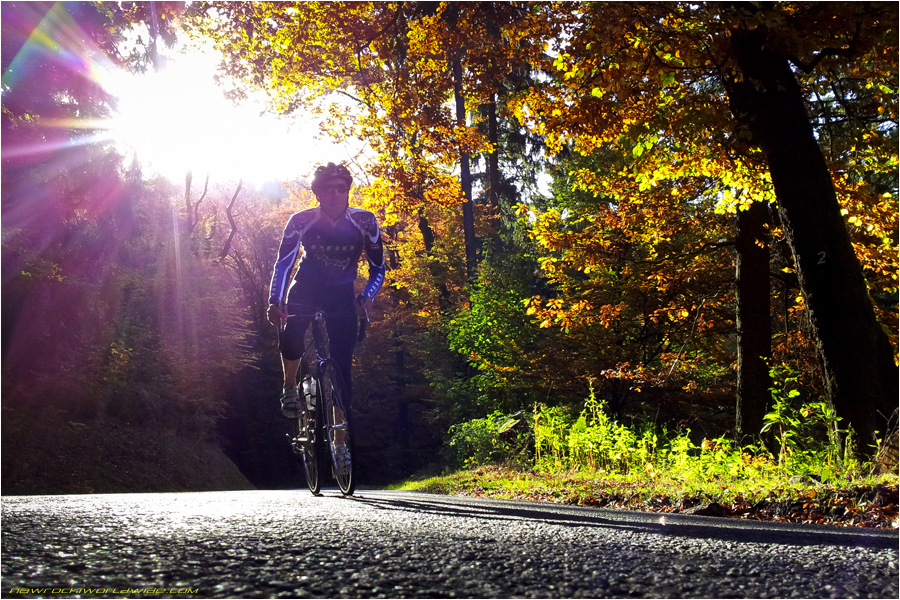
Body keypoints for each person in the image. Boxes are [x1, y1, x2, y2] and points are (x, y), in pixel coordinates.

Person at [267, 162, 385, 418]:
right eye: (328, 189)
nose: (335, 194)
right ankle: (289, 387)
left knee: (343, 366)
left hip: (342, 294)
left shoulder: (365, 221)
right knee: (291, 332)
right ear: (317, 194)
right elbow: (285, 263)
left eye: (341, 188)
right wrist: (275, 300)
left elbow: (378, 268)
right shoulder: (301, 221)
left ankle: (340, 445)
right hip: (307, 286)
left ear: (348, 191)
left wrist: (367, 296)